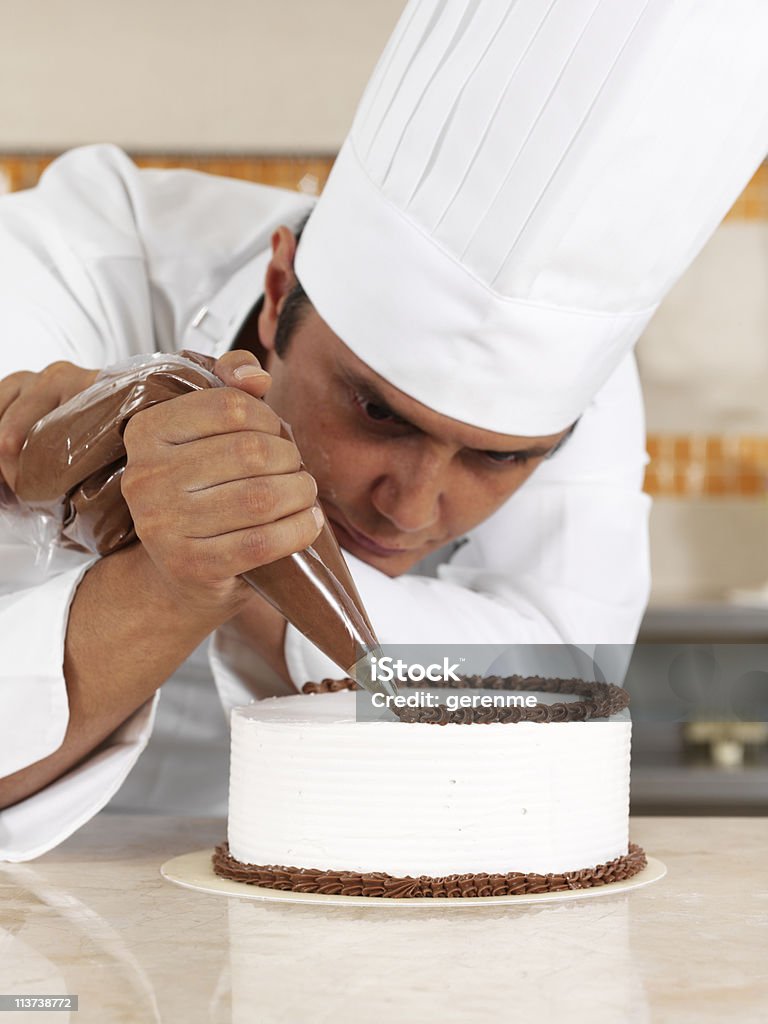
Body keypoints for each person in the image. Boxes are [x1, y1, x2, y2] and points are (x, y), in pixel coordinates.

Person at [1, 0, 766, 861]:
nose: (410, 508)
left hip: (370, 892)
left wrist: (237, 563)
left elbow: (564, 685)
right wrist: (168, 560)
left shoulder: (575, 378)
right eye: (376, 412)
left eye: (501, 456)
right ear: (281, 284)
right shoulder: (61, 267)